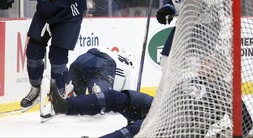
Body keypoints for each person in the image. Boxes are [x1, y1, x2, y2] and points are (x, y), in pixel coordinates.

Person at [48, 51, 253, 138]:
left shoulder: (225, 91)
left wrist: (220, 134)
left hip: (176, 129)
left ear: (219, 68)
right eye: (204, 60)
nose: (203, 64)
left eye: (209, 62)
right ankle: (65, 106)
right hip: (159, 108)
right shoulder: (192, 79)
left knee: (139, 129)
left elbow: (246, 124)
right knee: (115, 97)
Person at [66, 47, 137, 96]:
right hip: (102, 64)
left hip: (83, 59)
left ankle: (70, 93)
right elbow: (130, 97)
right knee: (101, 100)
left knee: (73, 102)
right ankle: (99, 96)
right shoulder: (129, 68)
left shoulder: (113, 55)